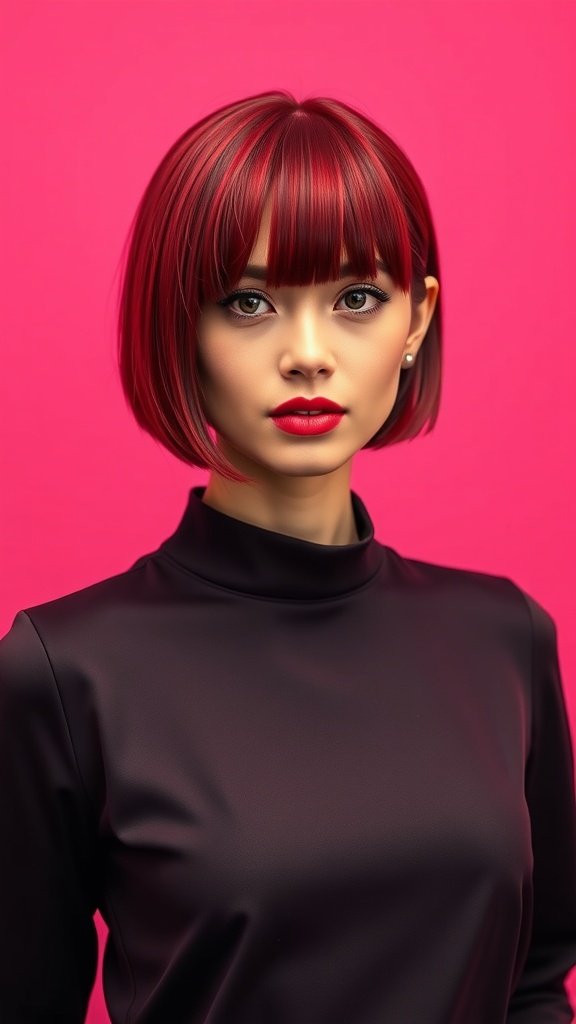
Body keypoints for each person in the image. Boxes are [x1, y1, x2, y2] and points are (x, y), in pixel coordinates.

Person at [1, 90, 575, 1024]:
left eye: (356, 299)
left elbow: (536, 985)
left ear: (418, 318)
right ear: (180, 323)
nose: (308, 355)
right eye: (250, 302)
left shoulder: (504, 638)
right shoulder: (66, 673)